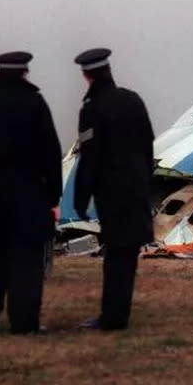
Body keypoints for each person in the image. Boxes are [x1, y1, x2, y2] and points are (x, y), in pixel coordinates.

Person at [0, 51, 63, 334]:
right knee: (27, 263)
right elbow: (51, 154)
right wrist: (53, 194)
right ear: (24, 73)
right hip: (29, 197)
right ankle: (24, 322)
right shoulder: (35, 104)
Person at [73, 48, 154, 331]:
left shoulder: (92, 110)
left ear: (87, 75)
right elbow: (148, 145)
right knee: (127, 257)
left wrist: (80, 199)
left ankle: (113, 317)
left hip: (112, 194)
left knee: (116, 258)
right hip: (137, 191)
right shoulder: (133, 101)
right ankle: (118, 313)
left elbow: (89, 158)